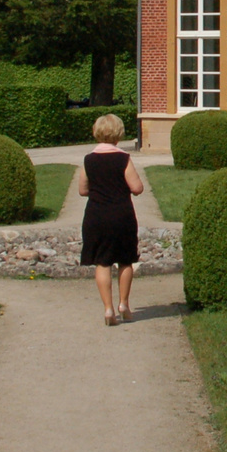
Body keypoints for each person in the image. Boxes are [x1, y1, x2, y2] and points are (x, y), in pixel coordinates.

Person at [77, 113, 144, 326]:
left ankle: (108, 309)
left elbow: (82, 190)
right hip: (121, 214)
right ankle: (124, 304)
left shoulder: (89, 159)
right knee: (125, 260)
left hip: (96, 215)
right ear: (118, 133)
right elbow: (137, 188)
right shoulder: (123, 158)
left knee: (102, 262)